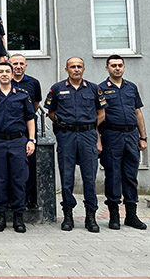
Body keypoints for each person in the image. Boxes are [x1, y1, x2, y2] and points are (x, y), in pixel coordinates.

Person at [45, 57, 106, 233]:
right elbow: (50, 112)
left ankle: (90, 216)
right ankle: (68, 215)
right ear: (67, 70)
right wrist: (61, 124)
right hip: (67, 136)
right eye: (73, 67)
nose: (76, 69)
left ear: (84, 69)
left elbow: (101, 113)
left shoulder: (93, 88)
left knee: (89, 177)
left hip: (87, 135)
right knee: (67, 177)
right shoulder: (57, 88)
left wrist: (92, 129)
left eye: (79, 66)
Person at [0, 62, 36, 233]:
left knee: (18, 179)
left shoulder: (22, 95)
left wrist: (31, 140)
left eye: (7, 71)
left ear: (12, 75)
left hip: (18, 141)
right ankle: (0, 216)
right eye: (1, 72)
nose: (4, 74)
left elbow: (30, 118)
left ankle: (19, 217)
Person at [98, 55, 148, 230]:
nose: (117, 68)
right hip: (112, 135)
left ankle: (131, 216)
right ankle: (114, 216)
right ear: (107, 68)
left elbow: (137, 113)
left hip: (131, 135)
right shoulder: (101, 89)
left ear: (124, 67)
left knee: (130, 176)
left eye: (120, 65)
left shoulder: (131, 87)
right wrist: (98, 140)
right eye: (113, 65)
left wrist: (143, 137)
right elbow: (98, 116)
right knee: (113, 175)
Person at [10, 54, 42, 208]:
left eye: (21, 63)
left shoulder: (33, 83)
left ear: (25, 66)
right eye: (15, 63)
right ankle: (13, 197)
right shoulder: (4, 81)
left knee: (29, 163)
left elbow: (35, 105)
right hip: (10, 128)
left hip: (27, 128)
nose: (18, 66)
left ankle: (29, 197)